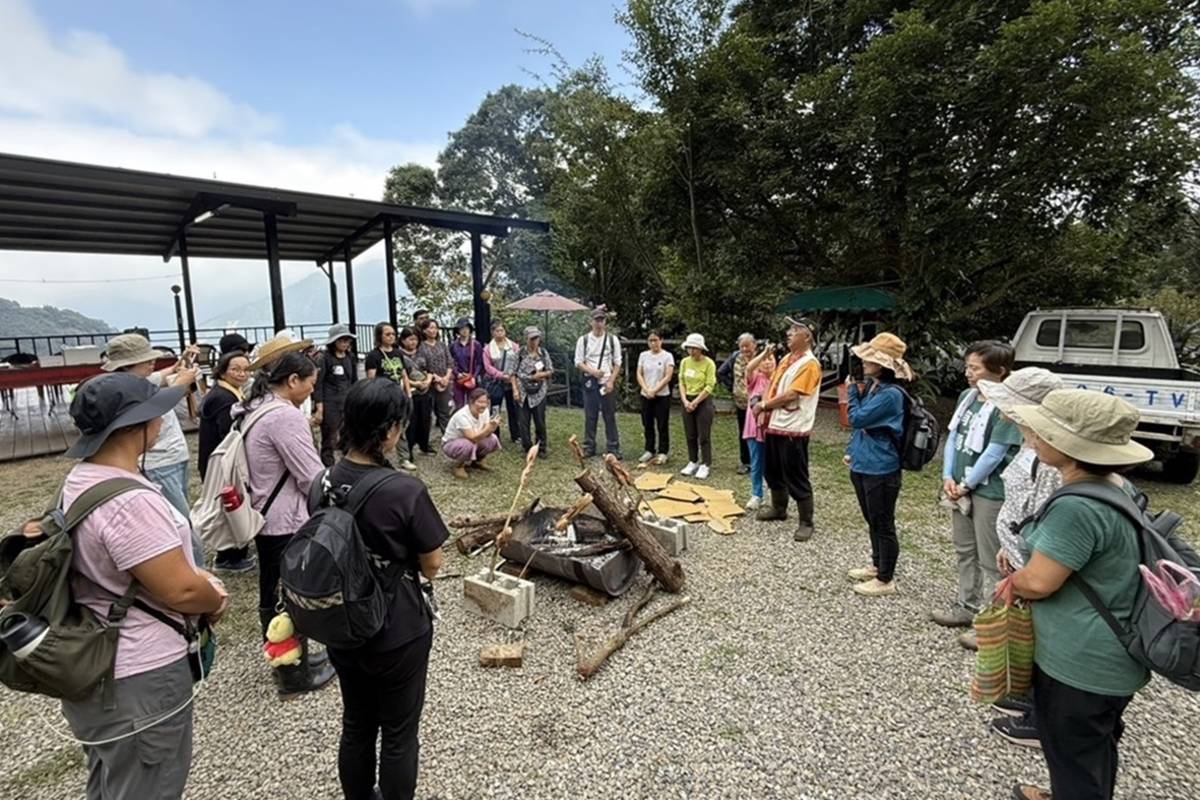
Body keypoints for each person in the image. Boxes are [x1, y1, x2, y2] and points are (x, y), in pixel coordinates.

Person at [59, 372, 228, 800]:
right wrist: (213, 595)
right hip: (139, 676)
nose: (163, 419)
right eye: (156, 413)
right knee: (149, 783)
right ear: (134, 426)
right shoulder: (129, 502)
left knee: (114, 780)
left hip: (99, 662)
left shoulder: (83, 478)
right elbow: (181, 592)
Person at [1000, 390, 1153, 800]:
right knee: (1091, 747)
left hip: (1081, 661)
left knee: (1071, 748)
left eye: (1042, 432)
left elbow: (1038, 582)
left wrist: (1013, 578)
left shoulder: (1077, 508)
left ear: (1068, 446)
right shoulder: (1117, 486)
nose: (1033, 438)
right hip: (1114, 652)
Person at [325, 378, 448, 800]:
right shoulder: (404, 490)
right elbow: (432, 566)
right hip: (396, 627)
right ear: (390, 429)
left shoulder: (323, 481)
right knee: (398, 733)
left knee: (357, 721)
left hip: (341, 622)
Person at [232, 348, 335, 698]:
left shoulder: (255, 407)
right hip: (285, 520)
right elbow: (310, 475)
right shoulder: (284, 417)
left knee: (275, 589)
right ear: (292, 380)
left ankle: (296, 659)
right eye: (310, 383)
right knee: (286, 596)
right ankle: (292, 673)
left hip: (264, 513)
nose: (311, 390)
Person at [975, 367, 1065, 749]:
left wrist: (1024, 565)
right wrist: (1005, 544)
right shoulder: (1030, 443)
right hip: (1016, 555)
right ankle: (1029, 697)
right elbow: (1019, 502)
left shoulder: (1051, 458)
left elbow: (1047, 513)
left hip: (1036, 564)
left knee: (1046, 640)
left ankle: (1043, 720)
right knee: (1028, 634)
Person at [931, 340, 1022, 640]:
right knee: (964, 549)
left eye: (975, 367)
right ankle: (966, 605)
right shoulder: (968, 397)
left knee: (990, 558)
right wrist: (948, 476)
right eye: (967, 366)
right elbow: (953, 439)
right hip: (958, 486)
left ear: (999, 370)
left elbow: (995, 453)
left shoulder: (1006, 405)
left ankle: (991, 625)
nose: (967, 373)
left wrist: (967, 484)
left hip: (989, 491)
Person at [843, 333, 913, 598]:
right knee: (871, 518)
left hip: (881, 466)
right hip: (865, 461)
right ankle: (876, 564)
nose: (863, 362)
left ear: (883, 364)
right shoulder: (876, 387)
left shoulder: (891, 395)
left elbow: (857, 418)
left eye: (869, 359)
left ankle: (886, 577)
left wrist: (851, 391)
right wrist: (852, 451)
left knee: (883, 521)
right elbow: (864, 427)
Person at [101, 334, 198, 521]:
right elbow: (157, 406)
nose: (153, 362)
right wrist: (182, 382)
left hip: (173, 456)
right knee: (179, 521)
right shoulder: (125, 390)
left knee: (182, 515)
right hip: (159, 462)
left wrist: (184, 359)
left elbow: (168, 371)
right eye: (146, 359)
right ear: (129, 364)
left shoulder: (141, 380)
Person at [753, 317, 822, 541]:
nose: (789, 333)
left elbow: (793, 394)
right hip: (775, 424)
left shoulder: (810, 364)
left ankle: (806, 521)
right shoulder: (787, 359)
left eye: (795, 330)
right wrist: (764, 408)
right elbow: (772, 385)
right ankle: (779, 508)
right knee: (772, 469)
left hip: (794, 428)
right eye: (790, 329)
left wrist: (763, 405)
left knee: (796, 473)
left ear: (807, 336)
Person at [197, 351, 255, 573]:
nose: (241, 373)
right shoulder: (223, 397)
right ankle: (228, 558)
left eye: (245, 369)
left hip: (215, 460)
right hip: (220, 462)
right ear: (222, 371)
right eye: (235, 369)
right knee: (228, 508)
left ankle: (233, 554)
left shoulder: (227, 392)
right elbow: (227, 433)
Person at [574, 305, 622, 459]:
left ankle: (613, 448)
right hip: (590, 381)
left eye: (602, 320)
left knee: (609, 415)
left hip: (606, 381)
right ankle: (589, 446)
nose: (599, 323)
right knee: (590, 415)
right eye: (596, 320)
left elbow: (617, 362)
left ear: (605, 322)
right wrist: (593, 372)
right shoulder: (584, 340)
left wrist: (611, 381)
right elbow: (578, 362)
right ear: (591, 322)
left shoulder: (612, 339)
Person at [313, 324, 359, 467]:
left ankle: (348, 464)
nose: (345, 343)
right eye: (342, 340)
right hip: (330, 402)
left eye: (347, 340)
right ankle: (328, 466)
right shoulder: (325, 358)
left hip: (347, 400)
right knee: (329, 436)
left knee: (349, 434)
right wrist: (319, 408)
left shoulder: (350, 357)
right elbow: (318, 384)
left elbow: (354, 381)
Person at [677, 333, 717, 480]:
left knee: (703, 435)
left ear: (700, 349)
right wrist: (685, 400)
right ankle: (692, 461)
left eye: (694, 348)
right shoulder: (684, 362)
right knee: (690, 434)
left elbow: (710, 385)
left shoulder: (709, 363)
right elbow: (681, 381)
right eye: (689, 348)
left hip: (703, 401)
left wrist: (696, 402)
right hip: (687, 399)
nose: (691, 351)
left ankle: (705, 463)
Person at [741, 345, 776, 510]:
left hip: (773, 428)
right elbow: (748, 367)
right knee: (756, 462)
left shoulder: (779, 379)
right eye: (764, 360)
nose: (768, 362)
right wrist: (764, 353)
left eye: (771, 358)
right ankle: (757, 494)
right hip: (754, 428)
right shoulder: (755, 378)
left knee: (774, 463)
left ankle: (775, 493)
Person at [718, 333, 758, 475]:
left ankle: (760, 462)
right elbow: (721, 372)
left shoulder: (762, 358)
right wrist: (733, 387)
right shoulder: (736, 357)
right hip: (741, 402)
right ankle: (745, 462)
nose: (745, 349)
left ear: (755, 345)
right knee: (744, 432)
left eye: (747, 345)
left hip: (759, 404)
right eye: (742, 346)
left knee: (760, 432)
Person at [441, 387, 501, 480]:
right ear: (471, 401)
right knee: (468, 444)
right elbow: (472, 437)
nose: (483, 405)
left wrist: (492, 428)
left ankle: (478, 461)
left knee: (492, 439)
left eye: (485, 402)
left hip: (472, 439)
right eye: (480, 402)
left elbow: (486, 432)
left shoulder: (484, 411)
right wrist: (488, 428)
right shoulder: (462, 415)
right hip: (451, 443)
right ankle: (459, 466)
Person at [514, 326, 554, 458]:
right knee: (523, 421)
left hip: (539, 391)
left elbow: (550, 370)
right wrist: (515, 390)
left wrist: (540, 374)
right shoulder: (520, 353)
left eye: (536, 338)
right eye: (531, 339)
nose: (534, 341)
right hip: (523, 391)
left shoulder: (544, 353)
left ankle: (541, 447)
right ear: (526, 339)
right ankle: (527, 447)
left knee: (540, 421)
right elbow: (512, 374)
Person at [637, 331, 674, 465]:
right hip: (645, 394)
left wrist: (655, 390)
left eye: (656, 340)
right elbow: (639, 374)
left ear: (661, 340)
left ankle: (663, 451)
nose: (653, 343)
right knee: (647, 423)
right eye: (650, 340)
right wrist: (646, 389)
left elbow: (668, 376)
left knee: (662, 424)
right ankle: (649, 449)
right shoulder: (643, 355)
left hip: (662, 395)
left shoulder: (667, 356)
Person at [483, 320, 522, 444]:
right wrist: (501, 375)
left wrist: (511, 375)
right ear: (492, 333)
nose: (499, 333)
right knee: (495, 409)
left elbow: (519, 361)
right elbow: (488, 366)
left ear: (505, 331)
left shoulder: (514, 346)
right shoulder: (488, 349)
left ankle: (516, 435)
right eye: (497, 331)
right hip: (496, 382)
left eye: (501, 330)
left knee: (513, 409)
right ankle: (495, 435)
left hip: (511, 381)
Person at [398, 327, 432, 468]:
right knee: (410, 423)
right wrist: (415, 384)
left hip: (425, 391)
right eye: (410, 339)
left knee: (425, 420)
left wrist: (428, 381)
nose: (413, 342)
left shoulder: (422, 353)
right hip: (410, 392)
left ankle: (424, 444)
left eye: (415, 339)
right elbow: (401, 375)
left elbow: (430, 370)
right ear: (403, 340)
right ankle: (408, 452)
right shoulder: (399, 355)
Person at [418, 319, 454, 431]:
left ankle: (448, 436)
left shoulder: (442, 345)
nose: (433, 330)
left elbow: (450, 363)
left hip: (445, 382)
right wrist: (436, 378)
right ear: (424, 330)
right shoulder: (421, 347)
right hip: (430, 382)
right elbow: (421, 366)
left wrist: (446, 378)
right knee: (428, 413)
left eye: (435, 328)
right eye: (430, 327)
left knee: (445, 411)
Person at [450, 317, 484, 410]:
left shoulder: (476, 345)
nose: (464, 331)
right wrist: (457, 373)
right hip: (459, 379)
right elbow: (451, 362)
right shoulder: (453, 345)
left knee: (473, 404)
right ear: (458, 330)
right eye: (462, 328)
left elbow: (480, 363)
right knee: (459, 405)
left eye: (466, 328)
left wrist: (474, 376)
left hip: (471, 378)